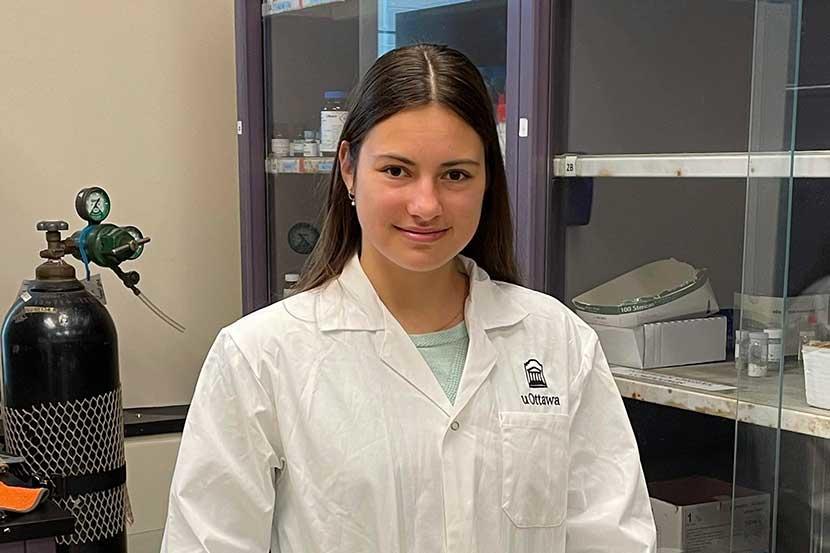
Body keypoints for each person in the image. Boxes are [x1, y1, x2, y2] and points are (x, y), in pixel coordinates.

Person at [161, 43, 656, 552]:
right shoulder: (259, 357)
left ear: (488, 179)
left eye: (455, 175)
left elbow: (612, 537)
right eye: (396, 170)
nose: (426, 205)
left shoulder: (556, 340)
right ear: (349, 169)